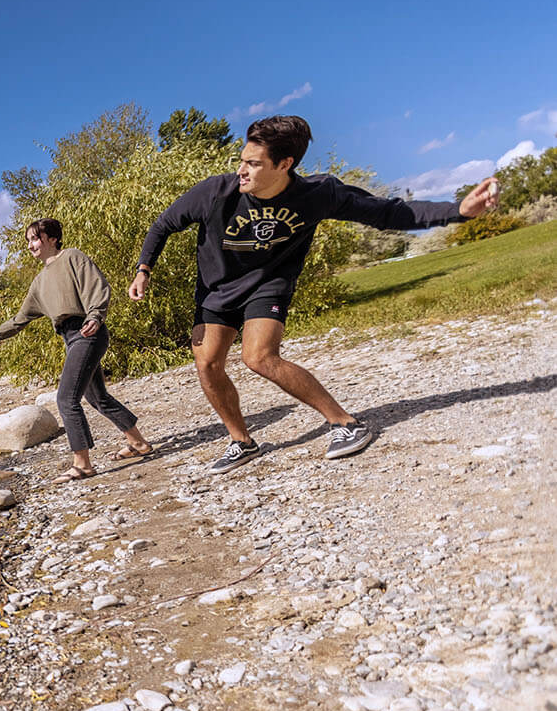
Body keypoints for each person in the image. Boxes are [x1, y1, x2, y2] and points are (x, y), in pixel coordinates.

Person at [128, 114, 500, 473]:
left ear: (285, 163)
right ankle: (241, 441)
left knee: (258, 357)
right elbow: (163, 225)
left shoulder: (318, 194)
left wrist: (459, 211)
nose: (242, 170)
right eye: (242, 161)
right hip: (217, 288)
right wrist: (144, 269)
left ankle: (346, 423)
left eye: (254, 164)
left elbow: (387, 213)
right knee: (208, 364)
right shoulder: (214, 192)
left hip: (268, 283)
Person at [0, 218, 153, 483]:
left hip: (88, 331)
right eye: (28, 240)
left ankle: (82, 464)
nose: (30, 245)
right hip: (70, 338)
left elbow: (96, 287)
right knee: (98, 398)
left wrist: (95, 317)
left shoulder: (72, 257)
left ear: (52, 238)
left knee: (66, 399)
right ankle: (139, 444)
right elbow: (19, 320)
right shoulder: (39, 283)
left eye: (35, 238)